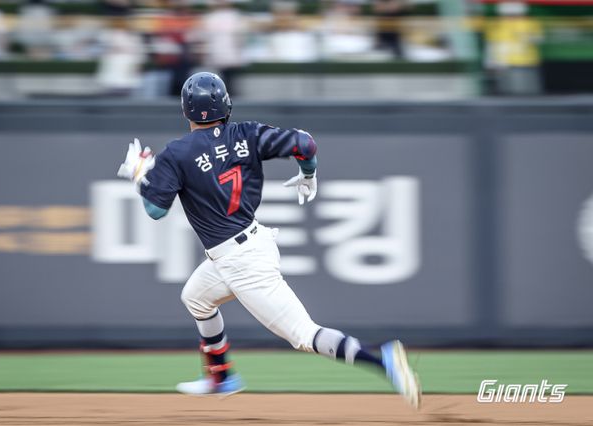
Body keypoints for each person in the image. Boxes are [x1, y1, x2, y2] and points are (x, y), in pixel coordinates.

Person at [116, 71, 421, 408]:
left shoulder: (177, 153)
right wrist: (308, 173)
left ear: (186, 110)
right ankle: (221, 377)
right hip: (249, 243)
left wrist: (141, 178)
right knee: (196, 298)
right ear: (226, 105)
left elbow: (155, 211)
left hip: (242, 262)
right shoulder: (247, 133)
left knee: (304, 335)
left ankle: (383, 360)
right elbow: (305, 144)